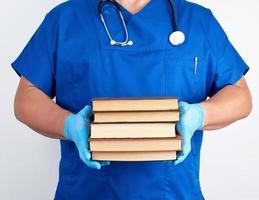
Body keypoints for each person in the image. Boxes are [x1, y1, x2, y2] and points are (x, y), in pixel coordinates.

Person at [12, 0, 252, 199]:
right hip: (85, 192)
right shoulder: (64, 19)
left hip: (175, 193)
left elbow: (240, 95)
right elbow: (26, 97)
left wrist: (200, 115)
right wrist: (69, 125)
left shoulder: (198, 21)